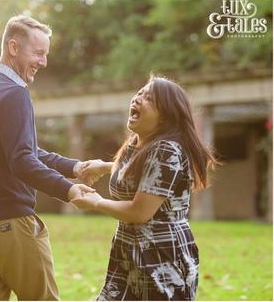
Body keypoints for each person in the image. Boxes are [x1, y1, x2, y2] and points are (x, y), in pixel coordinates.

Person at [0, 15, 99, 301]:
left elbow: (20, 151)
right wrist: (68, 189)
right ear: (14, 47)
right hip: (5, 223)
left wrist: (75, 168)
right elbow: (21, 160)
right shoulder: (14, 92)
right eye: (38, 53)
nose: (43, 62)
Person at [73, 76, 218, 300]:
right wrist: (104, 166)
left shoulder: (166, 150)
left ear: (166, 116)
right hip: (130, 248)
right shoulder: (138, 143)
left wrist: (95, 202)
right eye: (140, 93)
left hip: (160, 255)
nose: (138, 99)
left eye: (149, 98)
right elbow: (143, 173)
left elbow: (139, 212)